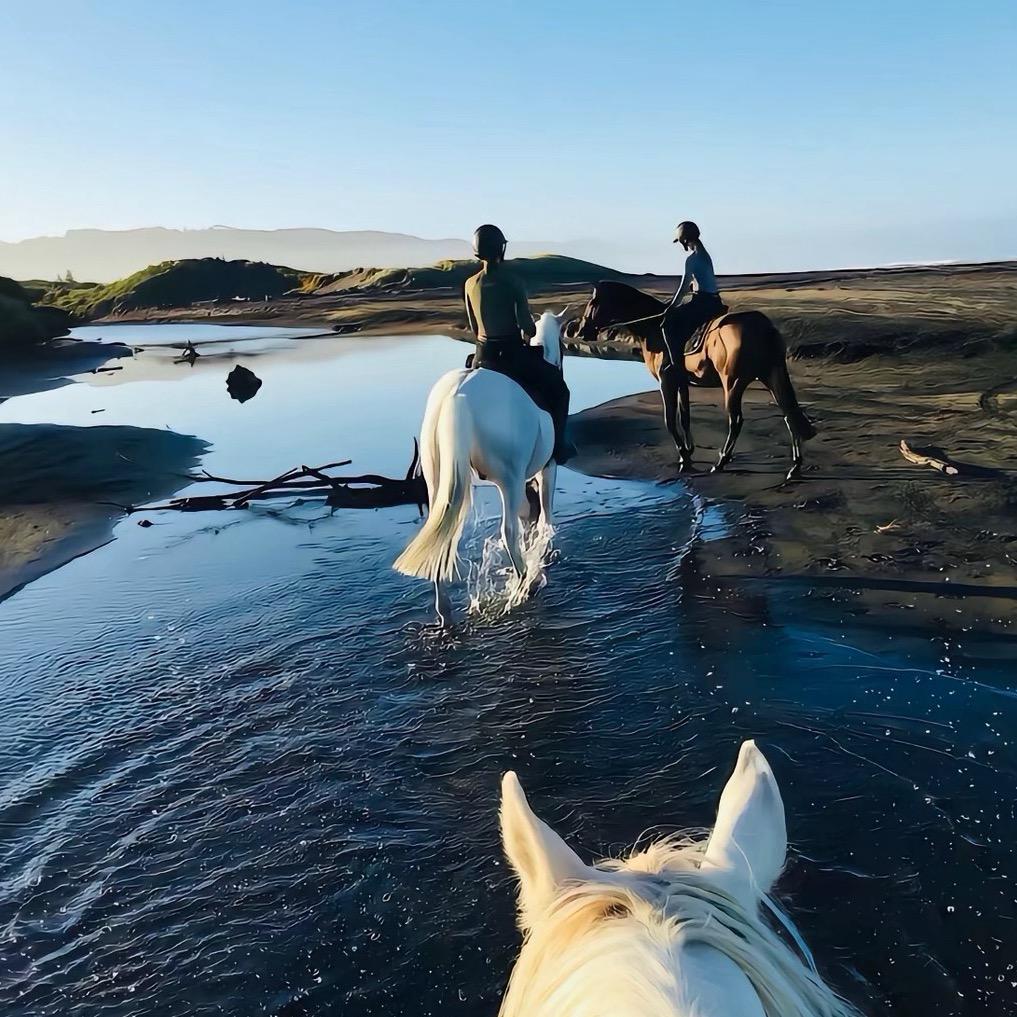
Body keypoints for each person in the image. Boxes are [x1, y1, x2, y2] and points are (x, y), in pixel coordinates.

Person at [464, 223, 573, 463]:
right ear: (500, 249)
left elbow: (473, 327)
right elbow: (528, 326)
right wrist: (529, 331)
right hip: (511, 356)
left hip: (483, 357)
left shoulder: (469, 284)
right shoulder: (511, 280)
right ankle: (559, 447)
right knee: (560, 391)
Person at [660, 221, 726, 363]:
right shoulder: (704, 254)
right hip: (715, 301)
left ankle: (676, 367)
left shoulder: (691, 259)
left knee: (668, 325)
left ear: (684, 241)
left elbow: (684, 287)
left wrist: (671, 307)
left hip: (702, 303)